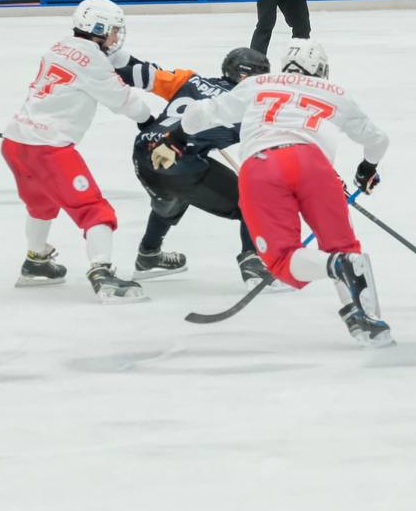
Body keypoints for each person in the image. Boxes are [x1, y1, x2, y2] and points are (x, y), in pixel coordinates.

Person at [164, 40, 392, 346]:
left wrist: (176, 137)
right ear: (322, 70)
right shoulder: (335, 92)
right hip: (315, 165)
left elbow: (202, 113)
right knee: (345, 247)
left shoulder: (258, 83)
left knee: (282, 259)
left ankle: (336, 267)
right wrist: (366, 170)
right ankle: (372, 323)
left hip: (264, 164)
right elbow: (377, 140)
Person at [0, 0, 154, 303]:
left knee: (41, 204)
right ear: (97, 29)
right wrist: (149, 119)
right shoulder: (93, 61)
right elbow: (121, 99)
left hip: (16, 142)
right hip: (48, 148)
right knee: (94, 211)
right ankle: (103, 274)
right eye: (112, 30)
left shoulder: (59, 46)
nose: (115, 36)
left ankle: (36, 261)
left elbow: (105, 58)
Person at [129, 47, 279, 289]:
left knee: (171, 196)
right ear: (246, 78)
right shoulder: (251, 106)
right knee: (256, 199)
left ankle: (149, 253)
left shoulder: (190, 79)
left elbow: (144, 74)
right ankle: (253, 263)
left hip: (143, 153)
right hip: (179, 163)